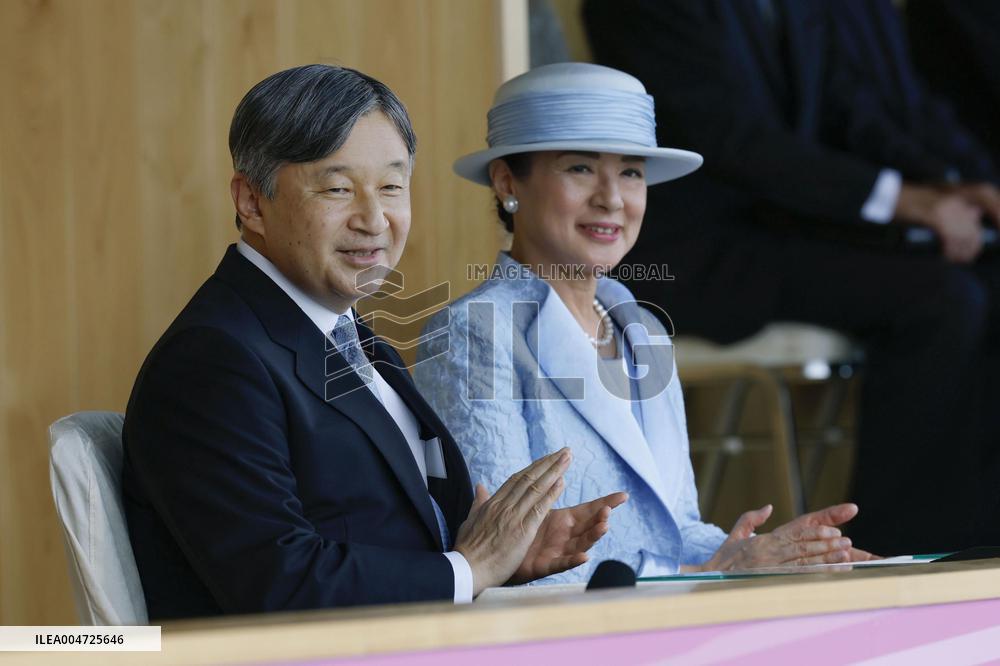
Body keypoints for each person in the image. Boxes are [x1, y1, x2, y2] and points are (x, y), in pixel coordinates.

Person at [121, 64, 627, 621]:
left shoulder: (351, 333)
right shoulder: (213, 358)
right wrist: (468, 569)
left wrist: (506, 556)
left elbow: (385, 531)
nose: (374, 218)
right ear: (251, 201)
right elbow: (276, 581)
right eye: (338, 189)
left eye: (392, 187)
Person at [413, 63, 872, 583]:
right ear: (506, 181)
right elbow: (500, 558)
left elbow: (677, 529)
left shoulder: (643, 331)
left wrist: (781, 554)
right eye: (580, 168)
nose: (613, 197)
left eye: (631, 172)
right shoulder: (473, 332)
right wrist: (703, 569)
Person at [582, 0, 1000, 554]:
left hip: (786, 227)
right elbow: (733, 142)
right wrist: (908, 201)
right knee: (941, 300)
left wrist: (956, 187)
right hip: (694, 255)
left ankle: (977, 536)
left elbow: (851, 109)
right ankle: (900, 547)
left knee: (986, 273)